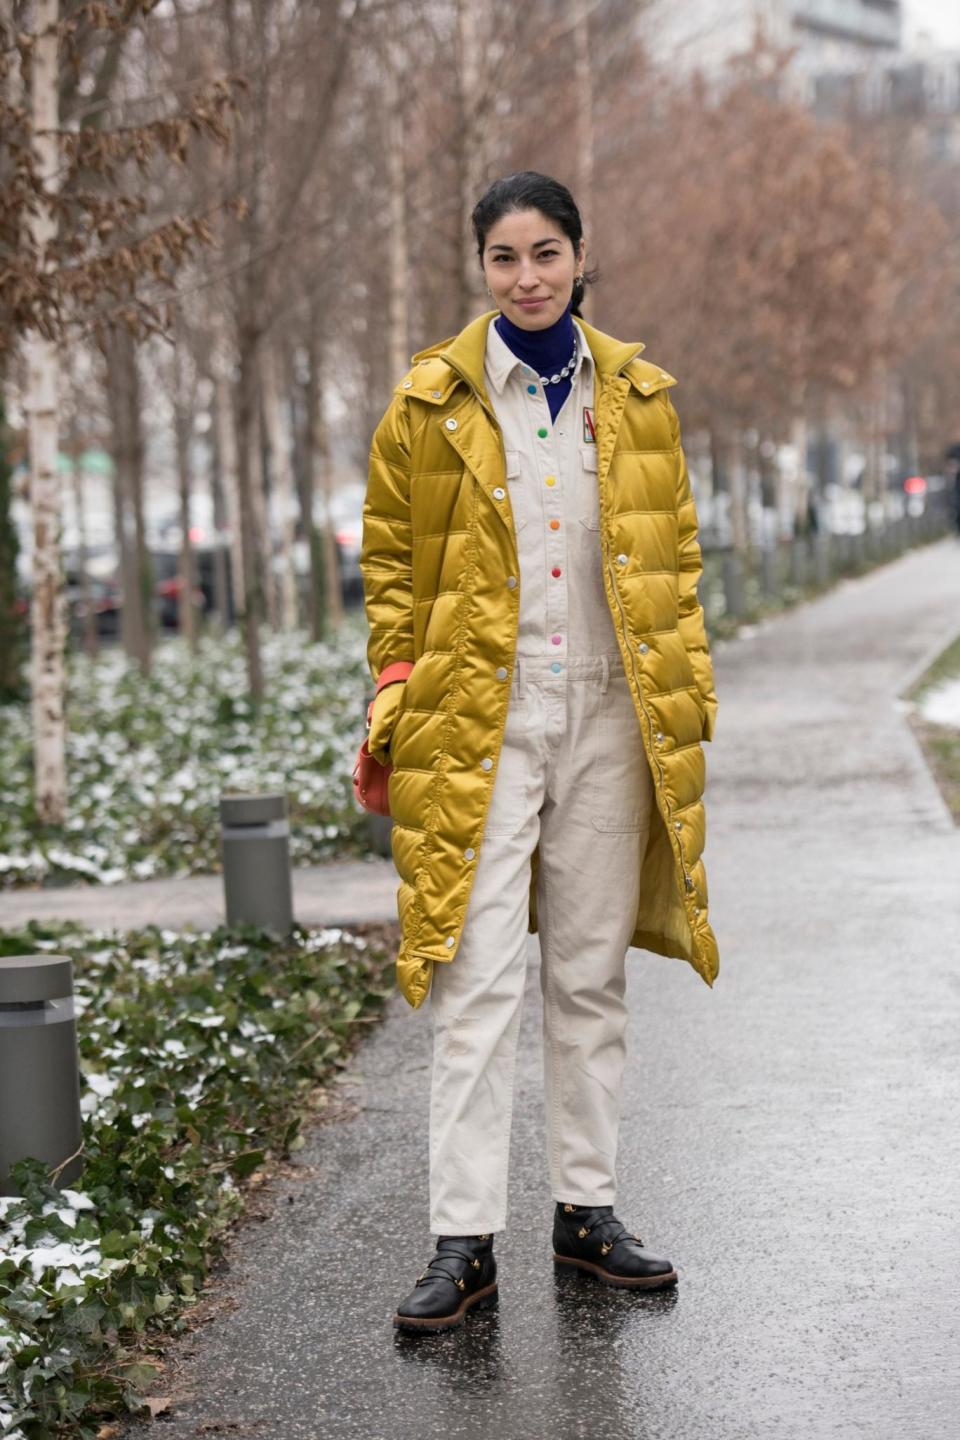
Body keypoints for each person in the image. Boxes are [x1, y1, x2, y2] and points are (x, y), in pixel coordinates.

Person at [359, 171, 719, 1335]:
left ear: (580, 257)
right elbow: (391, 573)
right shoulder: (430, 403)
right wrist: (399, 695)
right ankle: (463, 1243)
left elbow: (677, 563)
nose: (527, 277)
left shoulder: (639, 397)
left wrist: (689, 684)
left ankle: (587, 1211)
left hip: (613, 716)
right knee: (476, 984)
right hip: (482, 721)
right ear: (481, 269)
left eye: (547, 253)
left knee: (588, 976)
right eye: (505, 257)